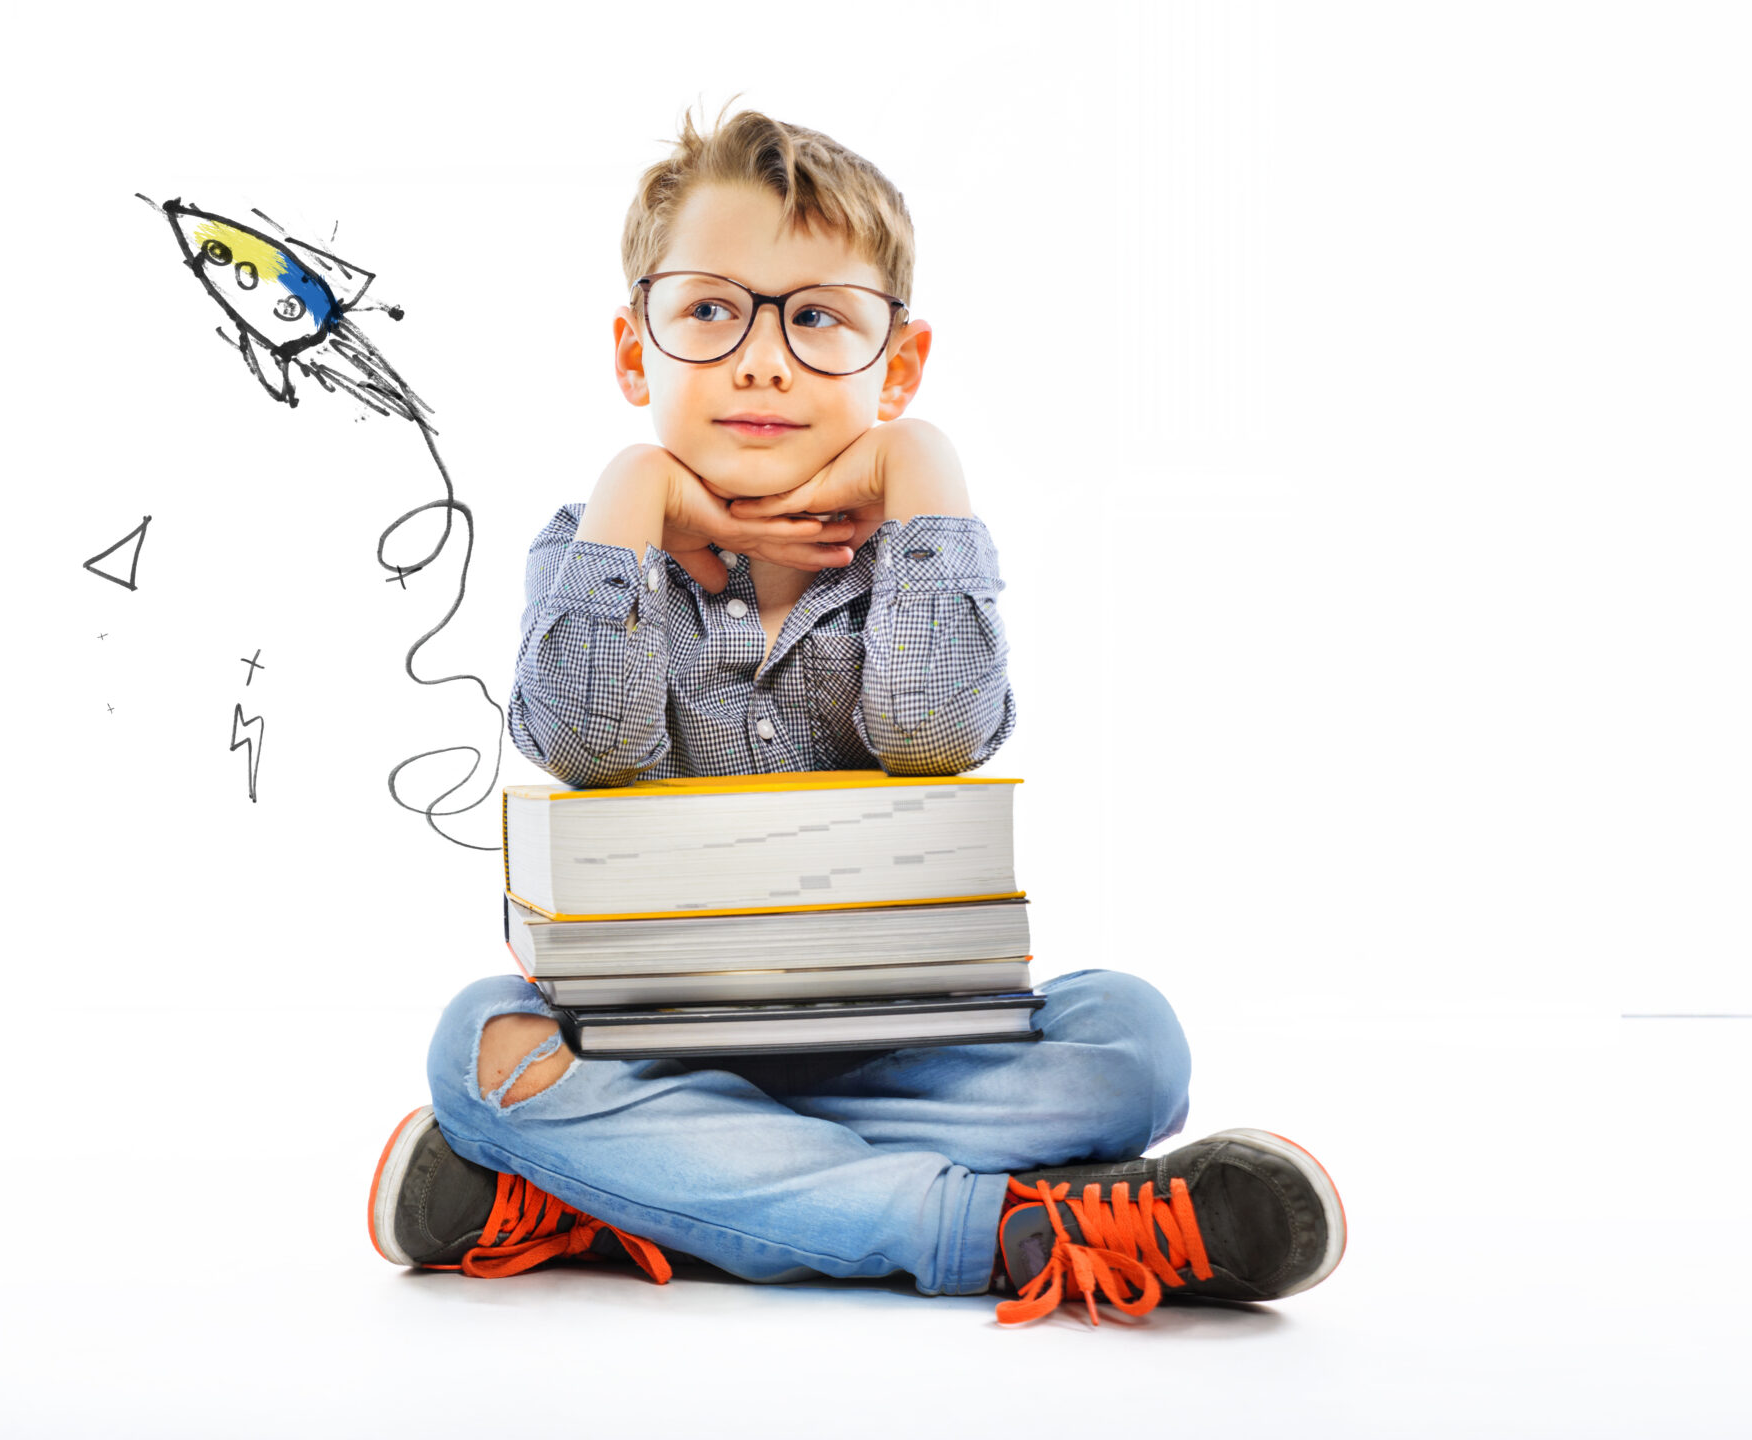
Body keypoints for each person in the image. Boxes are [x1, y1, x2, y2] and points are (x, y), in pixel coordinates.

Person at [368, 107, 1343, 1325]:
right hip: (657, 1051)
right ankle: (1002, 1230)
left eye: (818, 318)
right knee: (483, 1048)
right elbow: (587, 745)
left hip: (909, 1055)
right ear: (636, 352)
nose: (762, 361)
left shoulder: (915, 557)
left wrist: (922, 464)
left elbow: (936, 735)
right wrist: (631, 491)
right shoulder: (591, 550)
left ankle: (626, 1193)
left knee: (1133, 1040)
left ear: (898, 362)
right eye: (711, 311)